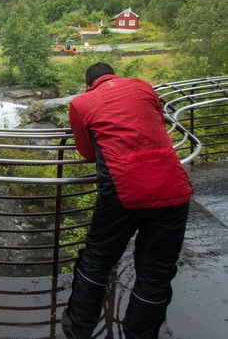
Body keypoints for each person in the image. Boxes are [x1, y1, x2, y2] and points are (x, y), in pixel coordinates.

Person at [61, 63, 192, 339]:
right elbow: (155, 121)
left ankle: (78, 326)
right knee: (156, 272)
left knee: (96, 259)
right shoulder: (143, 86)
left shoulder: (82, 102)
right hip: (173, 185)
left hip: (124, 189)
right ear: (114, 75)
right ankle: (140, 334)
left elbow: (86, 151)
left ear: (88, 85)